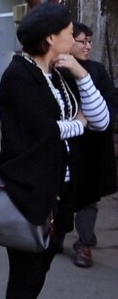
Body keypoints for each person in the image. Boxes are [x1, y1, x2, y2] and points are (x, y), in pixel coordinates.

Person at [0, 3, 108, 298]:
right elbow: (42, 131)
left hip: (61, 193)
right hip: (30, 194)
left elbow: (101, 120)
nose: (75, 40)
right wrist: (78, 124)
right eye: (70, 34)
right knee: (25, 276)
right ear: (50, 39)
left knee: (40, 270)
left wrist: (81, 74)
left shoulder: (60, 74)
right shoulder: (19, 76)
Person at [59, 22, 118, 268]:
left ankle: (84, 243)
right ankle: (55, 236)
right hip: (65, 143)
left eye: (90, 41)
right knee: (60, 192)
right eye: (82, 41)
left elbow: (111, 104)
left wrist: (102, 118)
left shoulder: (97, 70)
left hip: (92, 145)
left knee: (88, 196)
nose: (87, 46)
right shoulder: (57, 70)